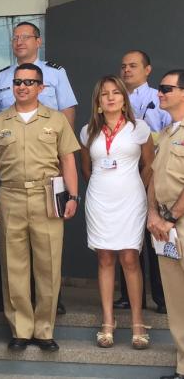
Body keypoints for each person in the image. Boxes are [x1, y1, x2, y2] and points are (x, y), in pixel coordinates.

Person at [0, 63, 80, 352]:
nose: (22, 86)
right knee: (14, 265)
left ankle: (45, 329)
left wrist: (73, 196)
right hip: (9, 196)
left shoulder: (57, 119)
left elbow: (68, 160)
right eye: (17, 82)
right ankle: (21, 329)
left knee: (49, 265)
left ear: (41, 87)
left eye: (28, 82)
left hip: (46, 195)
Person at [80, 75, 154, 349]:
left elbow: (150, 165)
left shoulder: (140, 128)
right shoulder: (87, 131)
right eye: (104, 94)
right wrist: (103, 186)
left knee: (130, 258)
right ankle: (107, 323)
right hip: (100, 199)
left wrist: (137, 188)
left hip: (131, 199)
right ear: (98, 102)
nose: (110, 97)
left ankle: (137, 322)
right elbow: (86, 169)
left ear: (124, 99)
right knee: (105, 259)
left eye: (116, 93)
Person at [116, 49, 170, 314]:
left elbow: (168, 135)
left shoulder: (158, 98)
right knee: (126, 237)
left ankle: (162, 297)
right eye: (124, 66)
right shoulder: (115, 98)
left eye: (133, 66)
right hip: (123, 176)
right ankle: (127, 295)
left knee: (155, 238)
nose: (127, 70)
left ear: (147, 70)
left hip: (153, 174)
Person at [147, 69, 184, 379]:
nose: (159, 93)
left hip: (178, 222)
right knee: (176, 299)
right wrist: (153, 215)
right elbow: (153, 179)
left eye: (166, 88)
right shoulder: (167, 133)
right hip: (164, 227)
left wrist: (170, 216)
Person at [0, 22, 78, 127]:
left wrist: (65, 143)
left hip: (47, 141)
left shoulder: (56, 73)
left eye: (25, 37)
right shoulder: (0, 77)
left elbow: (67, 111)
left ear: (38, 42)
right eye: (15, 38)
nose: (19, 42)